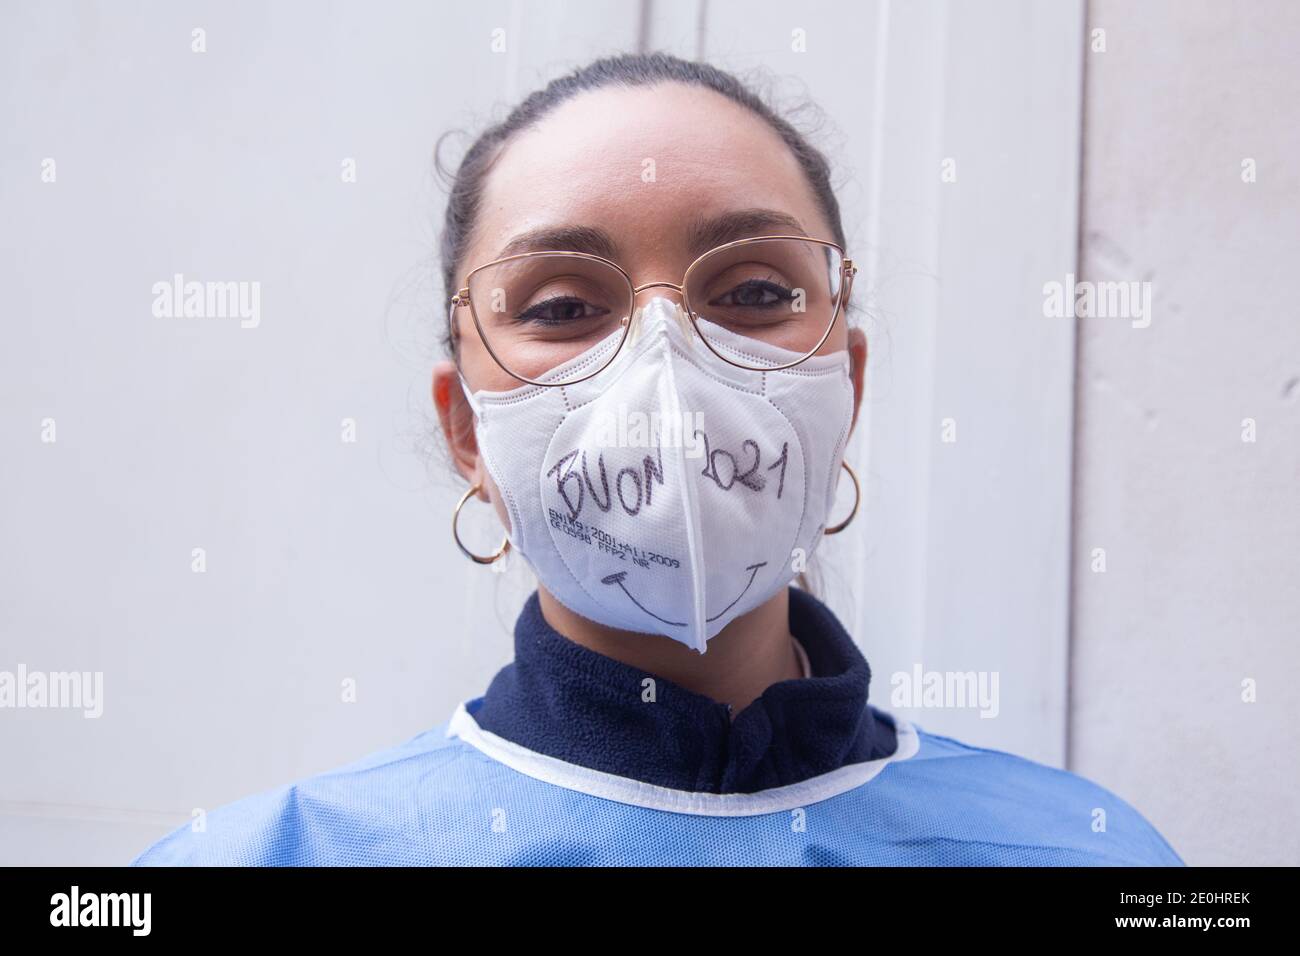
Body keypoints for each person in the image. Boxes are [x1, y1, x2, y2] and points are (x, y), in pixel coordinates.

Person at [133, 52, 1183, 866]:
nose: (665, 362)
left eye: (755, 292)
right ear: (467, 430)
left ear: (846, 385)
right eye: (562, 306)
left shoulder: (1082, 849)